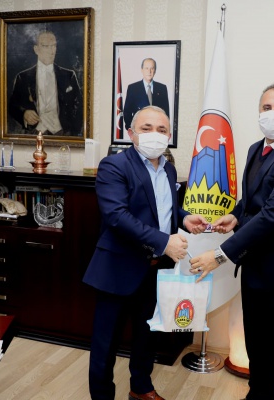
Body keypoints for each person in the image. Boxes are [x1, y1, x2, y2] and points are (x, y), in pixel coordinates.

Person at [189, 83, 274, 400]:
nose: (272, 114)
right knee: (257, 341)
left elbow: (273, 215)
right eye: (266, 107)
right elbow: (252, 202)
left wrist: (219, 255)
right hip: (254, 264)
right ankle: (258, 394)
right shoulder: (254, 150)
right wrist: (235, 216)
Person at [83, 105, 209, 400]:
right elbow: (117, 215)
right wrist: (165, 242)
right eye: (146, 128)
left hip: (154, 269)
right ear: (131, 133)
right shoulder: (114, 166)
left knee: (147, 335)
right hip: (118, 267)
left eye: (162, 130)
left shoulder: (169, 168)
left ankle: (141, 388)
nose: (155, 134)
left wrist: (184, 218)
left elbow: (159, 209)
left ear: (169, 136)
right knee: (106, 344)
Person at [8, 30, 83, 136]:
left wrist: (73, 134)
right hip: (34, 133)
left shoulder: (69, 75)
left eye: (53, 46)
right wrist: (24, 114)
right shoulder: (23, 77)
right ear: (36, 49)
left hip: (62, 133)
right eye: (46, 46)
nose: (51, 51)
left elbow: (80, 107)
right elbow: (12, 106)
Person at [123, 58, 170, 130]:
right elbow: (127, 112)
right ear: (142, 70)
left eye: (152, 68)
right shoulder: (133, 88)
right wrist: (132, 129)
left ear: (155, 70)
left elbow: (166, 113)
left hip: (156, 130)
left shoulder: (162, 88)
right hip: (140, 130)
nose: (149, 71)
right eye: (146, 68)